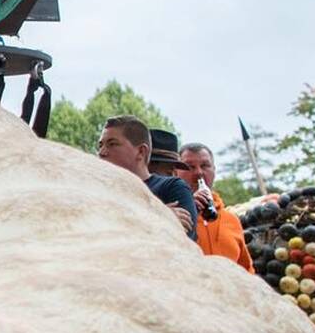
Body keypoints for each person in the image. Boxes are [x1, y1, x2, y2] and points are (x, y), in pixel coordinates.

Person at [97, 115, 198, 241]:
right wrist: (158, 217)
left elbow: (180, 244)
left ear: (141, 151)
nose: (102, 152)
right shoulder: (97, 192)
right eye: (100, 145)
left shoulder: (172, 188)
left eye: (112, 144)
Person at [178, 142, 254, 273]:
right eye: (190, 167)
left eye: (205, 166)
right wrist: (190, 207)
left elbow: (247, 270)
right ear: (175, 173)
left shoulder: (231, 220)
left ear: (214, 170)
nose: (199, 172)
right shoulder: (171, 216)